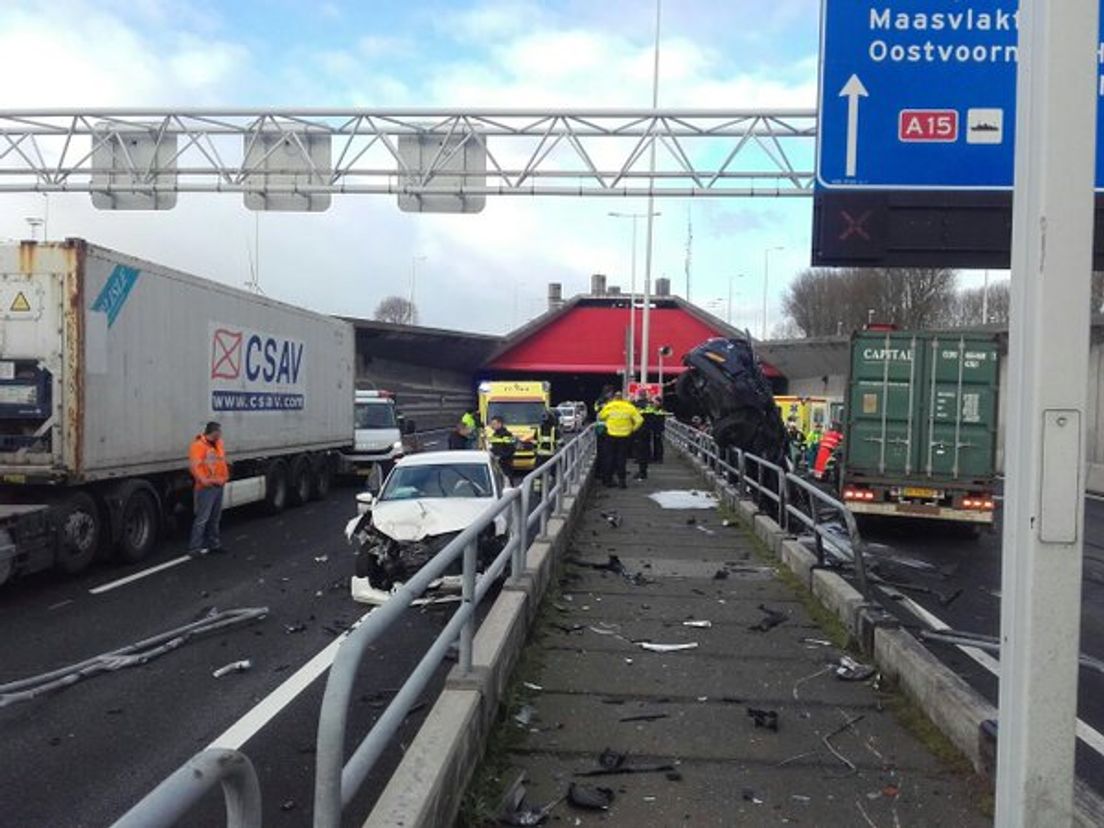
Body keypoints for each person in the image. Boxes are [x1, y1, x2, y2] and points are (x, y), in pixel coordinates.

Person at [188, 421, 229, 557]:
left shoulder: (219, 444)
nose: (221, 434)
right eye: (219, 432)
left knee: (215, 517)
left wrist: (224, 478)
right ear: (214, 432)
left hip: (218, 484)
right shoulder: (198, 446)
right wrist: (204, 481)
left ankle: (213, 544)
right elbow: (195, 466)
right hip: (207, 487)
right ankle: (194, 548)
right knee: (203, 518)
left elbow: (221, 463)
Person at [598, 391, 643, 488]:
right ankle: (622, 481)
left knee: (609, 458)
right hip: (624, 436)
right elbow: (640, 420)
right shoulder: (629, 407)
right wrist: (632, 429)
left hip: (611, 435)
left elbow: (601, 417)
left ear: (614, 398)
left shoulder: (610, 406)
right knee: (621, 458)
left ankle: (608, 480)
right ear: (623, 398)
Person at [632, 394, 653, 481]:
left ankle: (642, 472)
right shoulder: (649, 406)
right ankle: (644, 471)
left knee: (640, 452)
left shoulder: (636, 406)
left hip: (639, 431)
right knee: (645, 450)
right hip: (647, 431)